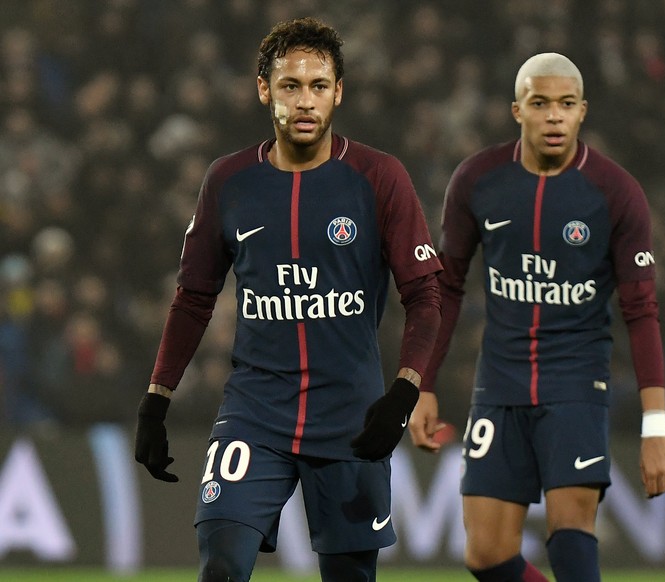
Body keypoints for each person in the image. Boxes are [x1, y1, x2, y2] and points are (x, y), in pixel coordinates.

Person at [133, 17, 442, 582]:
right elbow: (194, 299)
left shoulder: (379, 177)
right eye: (290, 86)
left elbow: (425, 295)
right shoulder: (228, 182)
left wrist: (404, 389)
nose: (305, 101)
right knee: (220, 570)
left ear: (338, 92)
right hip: (255, 413)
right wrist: (156, 402)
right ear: (263, 89)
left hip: (351, 416)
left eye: (318, 86)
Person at [409, 52, 665, 582]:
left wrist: (655, 428)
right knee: (484, 554)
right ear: (517, 111)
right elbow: (448, 287)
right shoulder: (478, 181)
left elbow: (642, 312)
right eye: (540, 104)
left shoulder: (615, 193)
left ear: (582, 112)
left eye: (565, 105)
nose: (554, 116)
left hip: (576, 382)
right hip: (500, 383)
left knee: (570, 531)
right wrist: (423, 382)